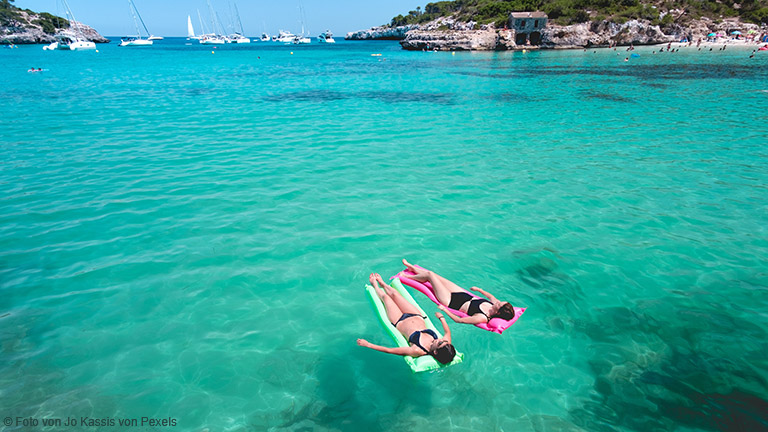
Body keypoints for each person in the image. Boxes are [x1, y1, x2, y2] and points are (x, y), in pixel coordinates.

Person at [357, 273, 456, 364]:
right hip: (416, 315)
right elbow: (448, 332)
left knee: (386, 298)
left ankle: (375, 285)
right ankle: (383, 284)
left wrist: (368, 345)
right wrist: (442, 318)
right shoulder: (445, 345)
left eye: (439, 343)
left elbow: (390, 350)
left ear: (435, 352)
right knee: (395, 295)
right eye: (443, 341)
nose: (440, 339)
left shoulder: (417, 350)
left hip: (399, 320)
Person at [401, 259, 516, 325]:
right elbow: (491, 296)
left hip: (449, 300)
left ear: (499, 312)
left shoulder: (482, 317)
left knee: (430, 275)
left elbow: (459, 320)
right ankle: (412, 268)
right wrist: (479, 290)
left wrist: (445, 310)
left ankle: (406, 276)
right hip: (462, 294)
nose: (498, 302)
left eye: (499, 304)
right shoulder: (494, 304)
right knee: (436, 276)